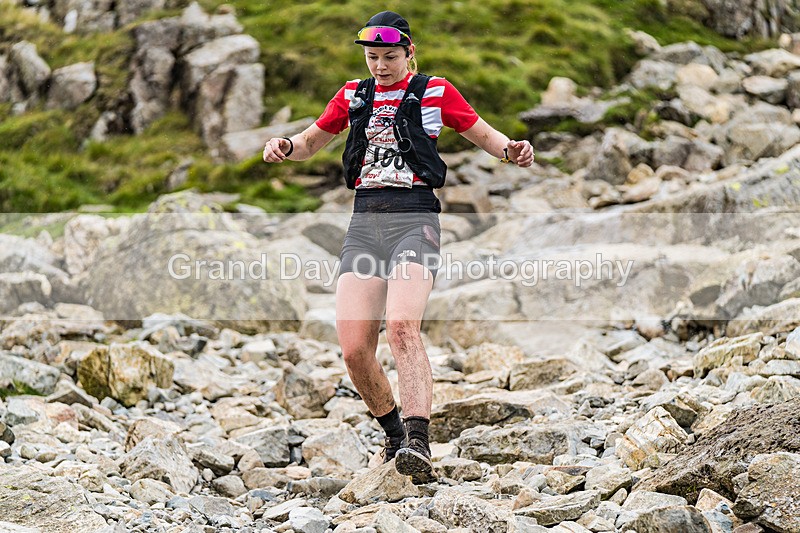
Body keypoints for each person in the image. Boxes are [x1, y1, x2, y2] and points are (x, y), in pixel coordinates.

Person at [263, 11, 534, 483]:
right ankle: (392, 434)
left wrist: (513, 149)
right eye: (372, 57)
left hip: (415, 219)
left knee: (403, 327)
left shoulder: (436, 91)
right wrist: (284, 146)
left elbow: (484, 134)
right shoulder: (352, 94)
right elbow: (309, 142)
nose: (381, 66)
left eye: (390, 57)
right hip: (365, 222)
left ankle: (419, 441)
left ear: (409, 52)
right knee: (353, 349)